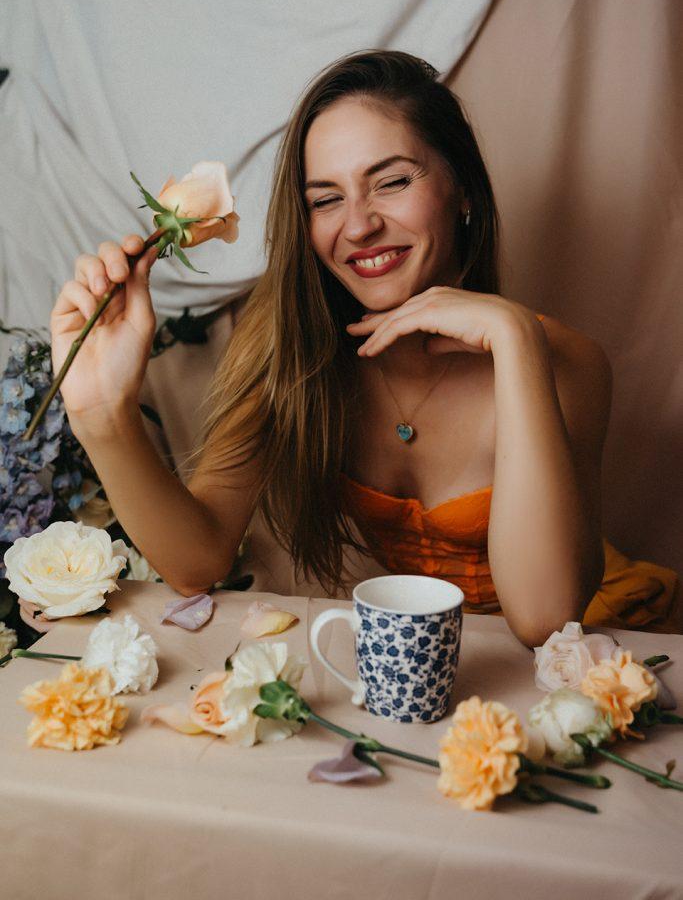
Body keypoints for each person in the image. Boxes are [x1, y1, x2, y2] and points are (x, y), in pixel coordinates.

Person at [49, 50, 679, 645]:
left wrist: (515, 338)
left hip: (571, 655)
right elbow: (197, 559)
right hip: (423, 665)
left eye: (392, 181)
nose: (357, 225)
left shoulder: (567, 361)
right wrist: (103, 415)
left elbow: (545, 620)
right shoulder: (292, 346)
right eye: (326, 199)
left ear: (462, 189)